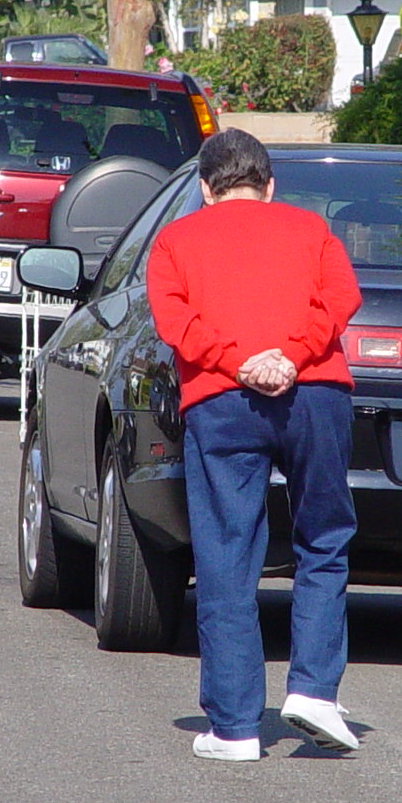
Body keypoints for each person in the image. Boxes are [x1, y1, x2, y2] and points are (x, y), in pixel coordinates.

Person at [145, 129, 363, 762]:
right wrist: (290, 358)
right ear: (270, 186)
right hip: (315, 395)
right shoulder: (311, 230)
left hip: (221, 402)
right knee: (323, 538)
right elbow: (341, 298)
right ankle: (314, 691)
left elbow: (175, 321)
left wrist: (239, 364)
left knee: (226, 553)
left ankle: (236, 727)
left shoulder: (176, 239)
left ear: (204, 189)